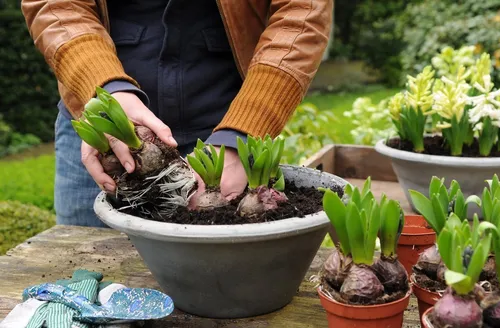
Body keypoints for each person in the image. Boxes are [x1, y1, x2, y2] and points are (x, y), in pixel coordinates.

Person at [21, 0, 333, 227]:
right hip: (108, 136)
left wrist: (242, 131)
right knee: (88, 274)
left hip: (225, 127)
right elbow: (57, 5)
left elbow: (302, 12)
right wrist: (107, 91)